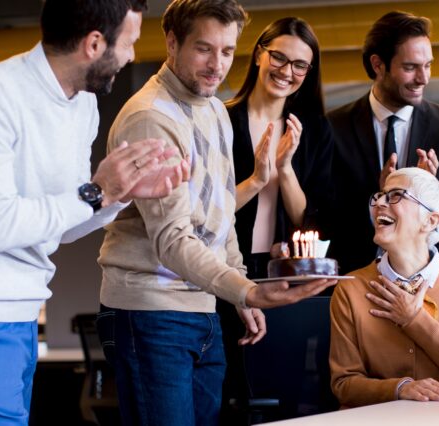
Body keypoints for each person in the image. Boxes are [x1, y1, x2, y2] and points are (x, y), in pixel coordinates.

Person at [0, 1, 190, 424]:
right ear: (94, 43)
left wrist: (120, 195)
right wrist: (98, 191)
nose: (133, 55)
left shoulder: (83, 106)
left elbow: (60, 223)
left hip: (18, 312)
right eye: (129, 42)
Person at [96, 1, 336, 425]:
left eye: (226, 52)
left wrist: (237, 290)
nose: (217, 65)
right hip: (151, 312)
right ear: (172, 42)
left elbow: (221, 215)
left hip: (202, 310)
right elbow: (172, 239)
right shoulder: (153, 117)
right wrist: (247, 291)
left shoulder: (213, 112)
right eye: (204, 49)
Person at [219, 17, 334, 419]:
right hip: (221, 269)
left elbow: (310, 220)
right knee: (229, 391)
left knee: (283, 394)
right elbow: (208, 211)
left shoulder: (316, 130)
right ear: (258, 55)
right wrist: (257, 176)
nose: (287, 72)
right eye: (279, 58)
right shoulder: (221, 120)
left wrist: (285, 169)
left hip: (282, 272)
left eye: (300, 65)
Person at [328, 10, 439, 273]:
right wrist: (377, 201)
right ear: (378, 65)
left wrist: (433, 190)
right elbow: (322, 223)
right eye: (410, 67)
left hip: (427, 285)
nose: (423, 78)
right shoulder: (333, 128)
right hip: (352, 279)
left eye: (428, 65)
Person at [330, 167, 439, 408]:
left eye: (395, 195)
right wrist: (400, 388)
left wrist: (414, 319)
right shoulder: (349, 288)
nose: (379, 204)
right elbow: (344, 385)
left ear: (431, 220)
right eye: (379, 196)